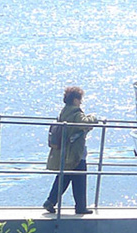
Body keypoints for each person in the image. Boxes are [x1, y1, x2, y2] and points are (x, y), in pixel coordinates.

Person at [43, 85, 100, 214]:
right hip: (75, 153)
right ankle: (80, 207)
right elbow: (85, 122)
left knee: (64, 177)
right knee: (79, 179)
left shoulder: (63, 112)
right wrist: (93, 118)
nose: (81, 102)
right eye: (80, 99)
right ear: (75, 100)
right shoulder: (76, 113)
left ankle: (50, 201)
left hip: (65, 152)